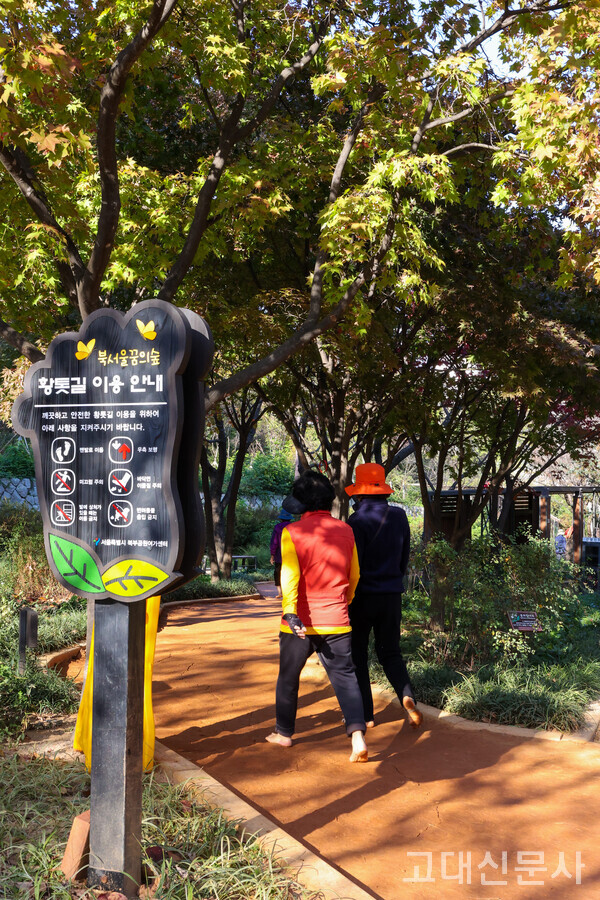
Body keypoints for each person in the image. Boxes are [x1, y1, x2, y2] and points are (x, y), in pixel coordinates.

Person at [266, 469, 369, 762]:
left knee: (288, 678)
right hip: (337, 618)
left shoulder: (292, 532)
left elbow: (290, 576)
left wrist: (290, 612)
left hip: (299, 621)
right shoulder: (346, 530)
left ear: (302, 504)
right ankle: (358, 737)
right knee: (346, 678)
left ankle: (283, 734)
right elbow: (355, 573)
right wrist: (343, 602)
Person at [346, 463, 422, 730]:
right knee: (390, 652)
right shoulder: (400, 516)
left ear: (360, 493)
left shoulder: (355, 522)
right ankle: (407, 695)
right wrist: (393, 580)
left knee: (358, 657)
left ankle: (366, 715)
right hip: (391, 595)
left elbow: (355, 564)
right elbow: (403, 560)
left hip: (363, 597)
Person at [270, 508, 295, 599]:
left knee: (277, 572)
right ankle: (288, 591)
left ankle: (280, 592)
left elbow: (274, 542)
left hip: (279, 555)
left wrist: (272, 555)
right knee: (290, 573)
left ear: (281, 518)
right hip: (291, 555)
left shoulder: (277, 527)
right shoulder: (294, 527)